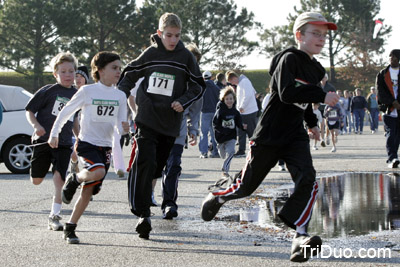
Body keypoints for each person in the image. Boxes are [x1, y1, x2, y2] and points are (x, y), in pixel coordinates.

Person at [200, 12, 339, 262]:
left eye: (324, 35)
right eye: (315, 33)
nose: (321, 39)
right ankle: (219, 196)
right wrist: (320, 94)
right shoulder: (288, 59)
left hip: (295, 135)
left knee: (308, 179)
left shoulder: (317, 68)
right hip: (270, 134)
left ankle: (300, 237)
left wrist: (310, 122)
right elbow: (287, 92)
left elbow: (303, 101)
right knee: (246, 187)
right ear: (299, 35)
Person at [117, 13, 205, 239]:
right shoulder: (150, 53)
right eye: (168, 35)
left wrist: (183, 101)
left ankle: (144, 206)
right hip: (146, 118)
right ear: (159, 34)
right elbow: (129, 74)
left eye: (177, 36)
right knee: (145, 162)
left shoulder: (185, 57)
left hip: (170, 122)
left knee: (157, 167)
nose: (173, 40)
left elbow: (198, 86)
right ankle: (143, 215)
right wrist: (119, 97)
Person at [48, 51, 128, 244]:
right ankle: (74, 178)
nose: (119, 71)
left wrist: (125, 128)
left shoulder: (120, 95)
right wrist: (54, 133)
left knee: (88, 192)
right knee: (98, 171)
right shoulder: (87, 91)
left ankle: (70, 227)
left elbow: (119, 125)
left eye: (120, 68)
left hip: (106, 147)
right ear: (100, 71)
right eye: (114, 68)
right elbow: (66, 111)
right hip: (86, 144)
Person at [25, 52, 79, 232]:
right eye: (63, 72)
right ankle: (42, 170)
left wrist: (79, 139)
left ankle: (54, 216)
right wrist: (36, 126)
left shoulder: (77, 94)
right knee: (36, 180)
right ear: (55, 74)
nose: (68, 75)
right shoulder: (48, 91)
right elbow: (30, 111)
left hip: (63, 143)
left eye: (71, 71)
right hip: (43, 140)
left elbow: (76, 121)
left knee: (59, 179)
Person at [161, 43, 203, 220]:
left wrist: (193, 129)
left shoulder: (197, 83)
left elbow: (196, 108)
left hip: (179, 130)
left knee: (174, 166)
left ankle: (169, 203)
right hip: (159, 126)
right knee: (159, 166)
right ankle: (146, 198)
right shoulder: (168, 74)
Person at [213, 87, 246, 178]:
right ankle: (218, 149)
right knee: (223, 155)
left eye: (231, 99)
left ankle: (225, 170)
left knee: (231, 152)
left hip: (231, 136)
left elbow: (239, 123)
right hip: (221, 137)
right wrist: (223, 130)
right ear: (223, 99)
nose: (229, 101)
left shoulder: (235, 112)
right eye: (227, 99)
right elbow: (215, 124)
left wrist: (243, 126)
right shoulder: (220, 111)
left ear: (234, 99)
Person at [226, 71, 259, 157]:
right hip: (244, 111)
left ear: (234, 78)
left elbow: (247, 95)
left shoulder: (244, 81)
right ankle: (242, 150)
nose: (232, 84)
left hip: (248, 111)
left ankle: (255, 149)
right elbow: (254, 93)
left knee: (250, 131)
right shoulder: (242, 83)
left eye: (231, 82)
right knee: (241, 131)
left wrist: (242, 106)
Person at [376, 49, 400, 168]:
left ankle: (394, 155)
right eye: (390, 56)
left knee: (397, 135)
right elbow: (380, 92)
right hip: (388, 109)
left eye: (394, 57)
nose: (391, 59)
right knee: (390, 133)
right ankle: (392, 158)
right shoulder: (382, 73)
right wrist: (392, 102)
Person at [70, 65, 90, 174]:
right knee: (74, 153)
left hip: (88, 129)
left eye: (81, 76)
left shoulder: (90, 92)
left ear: (86, 79)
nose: (78, 79)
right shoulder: (71, 93)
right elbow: (73, 117)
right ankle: (74, 165)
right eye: (76, 76)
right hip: (73, 128)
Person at [199, 70, 220, 158]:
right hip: (214, 112)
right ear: (211, 77)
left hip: (204, 112)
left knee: (203, 133)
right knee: (213, 133)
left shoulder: (201, 87)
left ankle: (204, 152)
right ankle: (215, 152)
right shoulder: (216, 88)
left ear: (203, 78)